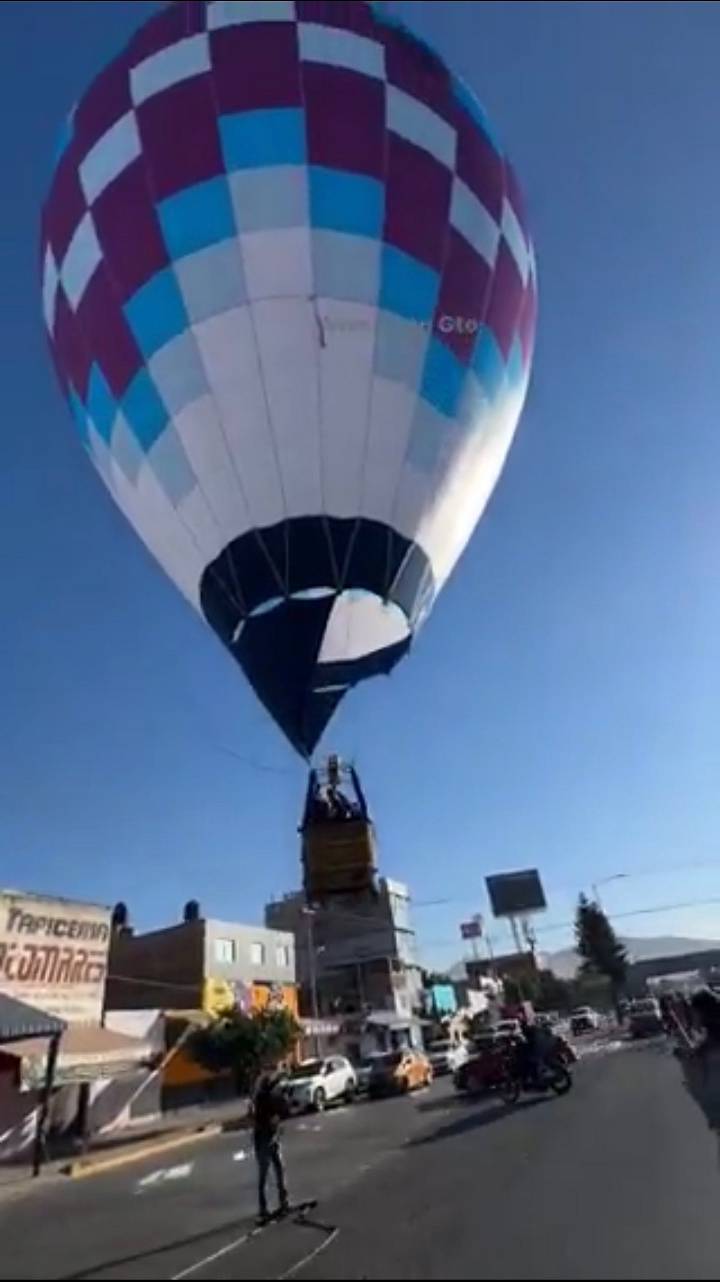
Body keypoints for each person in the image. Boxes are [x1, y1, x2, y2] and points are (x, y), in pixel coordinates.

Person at [252, 1070, 289, 1224]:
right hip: (264, 1139)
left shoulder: (268, 1096)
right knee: (266, 1174)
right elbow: (281, 1110)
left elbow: (284, 1112)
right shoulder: (264, 1098)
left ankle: (282, 1202)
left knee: (279, 1169)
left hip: (271, 1138)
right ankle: (264, 1208)